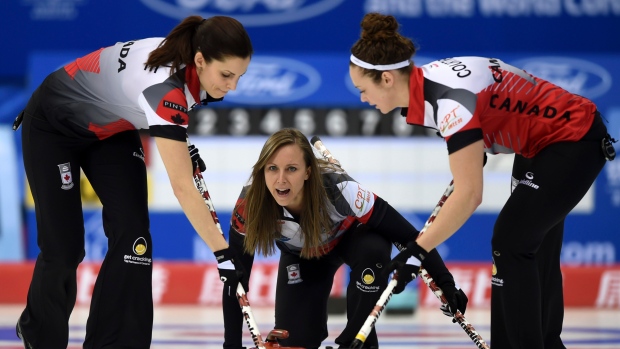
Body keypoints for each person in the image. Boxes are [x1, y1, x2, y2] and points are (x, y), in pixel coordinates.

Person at [348, 12, 617, 349]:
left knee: (511, 241)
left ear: (387, 79)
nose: (362, 98)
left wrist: (418, 252)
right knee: (532, 247)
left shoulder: (447, 101)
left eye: (362, 89)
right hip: (540, 144)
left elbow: (470, 193)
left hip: (572, 138)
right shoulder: (429, 82)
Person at [14, 15, 253, 349]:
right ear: (199, 60)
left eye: (239, 77)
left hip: (111, 130)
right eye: (226, 75)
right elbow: (182, 186)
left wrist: (180, 144)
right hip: (53, 126)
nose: (232, 86)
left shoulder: (187, 62)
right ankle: (40, 335)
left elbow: (143, 106)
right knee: (64, 249)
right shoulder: (164, 87)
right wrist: (223, 253)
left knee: (134, 237)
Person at [221, 128, 468, 349]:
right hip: (303, 257)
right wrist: (231, 345)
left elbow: (408, 236)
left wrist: (446, 283)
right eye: (272, 168)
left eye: (292, 169)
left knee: (373, 250)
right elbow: (236, 280)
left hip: (352, 240)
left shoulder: (340, 189)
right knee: (294, 341)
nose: (281, 179)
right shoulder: (250, 205)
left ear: (308, 171)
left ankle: (357, 339)